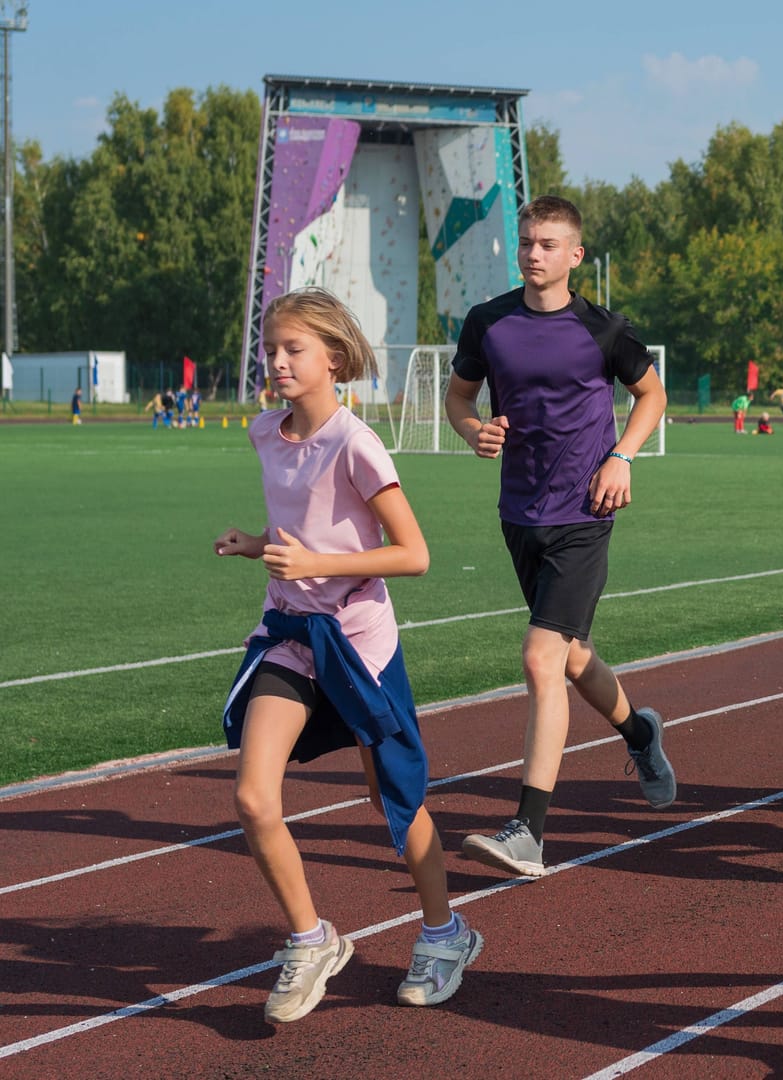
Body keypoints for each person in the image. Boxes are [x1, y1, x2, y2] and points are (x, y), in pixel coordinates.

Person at [215, 287, 481, 1022]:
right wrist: (256, 548)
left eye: (293, 349)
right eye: (271, 349)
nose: (277, 362)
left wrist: (312, 568)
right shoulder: (265, 433)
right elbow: (300, 542)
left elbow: (415, 554)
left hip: (358, 647)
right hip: (290, 635)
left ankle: (444, 932)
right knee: (252, 796)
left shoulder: (357, 443)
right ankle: (311, 939)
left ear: (333, 358)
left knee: (390, 795)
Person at [444, 195, 676, 880]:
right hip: (519, 514)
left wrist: (622, 456)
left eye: (548, 244)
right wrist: (471, 430)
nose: (534, 254)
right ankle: (640, 731)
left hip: (584, 514)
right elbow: (459, 398)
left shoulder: (603, 329)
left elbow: (653, 394)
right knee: (573, 658)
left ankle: (528, 831)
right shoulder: (488, 323)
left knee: (541, 659)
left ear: (576, 255)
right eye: (526, 243)